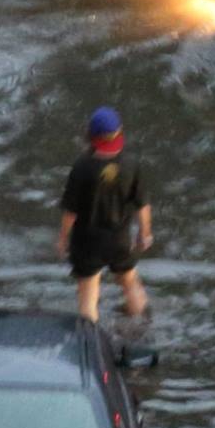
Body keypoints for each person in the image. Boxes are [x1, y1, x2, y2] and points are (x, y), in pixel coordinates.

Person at [56, 106, 152, 323]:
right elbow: (142, 204)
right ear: (119, 133)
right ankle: (142, 327)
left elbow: (70, 212)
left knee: (88, 295)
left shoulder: (82, 167)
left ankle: (91, 341)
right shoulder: (131, 164)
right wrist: (145, 233)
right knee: (129, 281)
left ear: (91, 135)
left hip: (88, 242)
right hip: (120, 240)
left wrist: (63, 239)